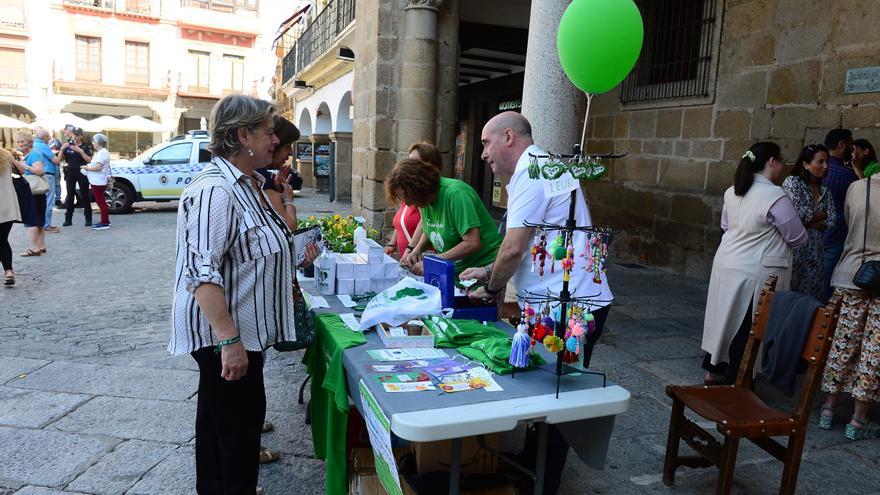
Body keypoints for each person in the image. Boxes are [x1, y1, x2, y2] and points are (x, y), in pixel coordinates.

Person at [463, 111, 613, 495]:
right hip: (560, 301)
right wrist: (486, 271)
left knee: (556, 397)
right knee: (547, 388)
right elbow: (532, 242)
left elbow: (514, 248)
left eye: (485, 143)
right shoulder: (543, 167)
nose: (483, 155)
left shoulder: (532, 173)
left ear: (509, 137)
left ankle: (542, 483)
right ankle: (530, 468)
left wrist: (493, 289)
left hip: (571, 305)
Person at [170, 94, 296, 495]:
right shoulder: (216, 190)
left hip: (242, 333)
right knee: (237, 433)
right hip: (224, 335)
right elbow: (201, 272)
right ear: (244, 135)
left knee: (219, 426)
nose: (274, 140)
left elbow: (256, 249)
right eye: (267, 131)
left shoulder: (251, 185)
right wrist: (229, 340)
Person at [701, 142, 808, 385]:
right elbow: (798, 236)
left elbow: (726, 226)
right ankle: (740, 376)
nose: (782, 167)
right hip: (756, 268)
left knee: (723, 317)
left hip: (728, 261)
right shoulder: (774, 195)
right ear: (772, 161)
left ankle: (713, 368)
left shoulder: (733, 190)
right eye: (781, 162)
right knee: (747, 323)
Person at [818, 174, 880, 440]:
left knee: (843, 343)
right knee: (873, 351)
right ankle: (858, 421)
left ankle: (828, 410)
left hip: (849, 272)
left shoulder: (857, 187)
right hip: (878, 281)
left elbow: (848, 220)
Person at [387, 158, 501, 276]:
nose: (409, 204)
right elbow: (431, 227)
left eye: (408, 197)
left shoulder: (456, 194)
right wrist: (417, 249)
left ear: (420, 186)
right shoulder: (425, 200)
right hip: (458, 270)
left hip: (484, 269)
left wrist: (433, 262)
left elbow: (472, 243)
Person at [781, 144, 837, 301]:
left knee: (810, 298)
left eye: (827, 162)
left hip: (815, 253)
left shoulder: (825, 190)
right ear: (805, 164)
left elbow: (832, 220)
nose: (825, 166)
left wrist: (809, 219)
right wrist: (821, 215)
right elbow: (799, 215)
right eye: (820, 162)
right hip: (795, 251)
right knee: (790, 295)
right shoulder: (793, 182)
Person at [385, 142, 443, 259]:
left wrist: (412, 249)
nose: (410, 167)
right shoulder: (408, 191)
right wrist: (392, 243)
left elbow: (425, 224)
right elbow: (401, 221)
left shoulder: (423, 195)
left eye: (415, 163)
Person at [821, 128, 857, 302]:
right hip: (834, 238)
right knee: (825, 289)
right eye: (850, 144)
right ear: (842, 145)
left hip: (811, 238)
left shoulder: (815, 169)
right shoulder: (846, 175)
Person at [13, 130, 48, 257]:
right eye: (18, 141)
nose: (20, 144)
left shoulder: (33, 155)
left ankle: (34, 248)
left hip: (33, 192)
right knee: (39, 220)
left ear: (29, 142)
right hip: (37, 192)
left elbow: (40, 171)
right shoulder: (29, 155)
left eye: (22, 141)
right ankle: (41, 245)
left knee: (31, 220)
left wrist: (25, 166)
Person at [61, 127, 93, 227]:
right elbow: (60, 158)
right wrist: (62, 149)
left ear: (81, 136)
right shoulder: (68, 146)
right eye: (74, 134)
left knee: (84, 195)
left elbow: (89, 160)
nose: (75, 136)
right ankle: (68, 219)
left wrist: (80, 151)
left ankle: (88, 218)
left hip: (82, 172)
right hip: (70, 172)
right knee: (70, 195)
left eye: (77, 134)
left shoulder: (85, 146)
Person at [81, 133, 111, 230]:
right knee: (101, 201)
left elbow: (98, 167)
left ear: (98, 142)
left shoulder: (102, 153)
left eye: (94, 141)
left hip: (98, 181)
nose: (93, 143)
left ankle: (104, 222)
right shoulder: (102, 152)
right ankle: (105, 221)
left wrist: (86, 167)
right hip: (98, 180)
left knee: (101, 202)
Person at [32, 128, 61, 232]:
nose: (49, 139)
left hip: (35, 175)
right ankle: (46, 224)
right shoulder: (43, 146)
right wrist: (62, 151)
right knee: (48, 201)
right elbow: (56, 160)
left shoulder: (33, 145)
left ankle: (39, 224)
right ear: (44, 137)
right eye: (48, 137)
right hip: (47, 174)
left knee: (39, 201)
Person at [0, 148, 21, 285]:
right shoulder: (6, 155)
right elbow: (22, 171)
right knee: (2, 239)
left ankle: (8, 271)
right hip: (7, 205)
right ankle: (8, 271)